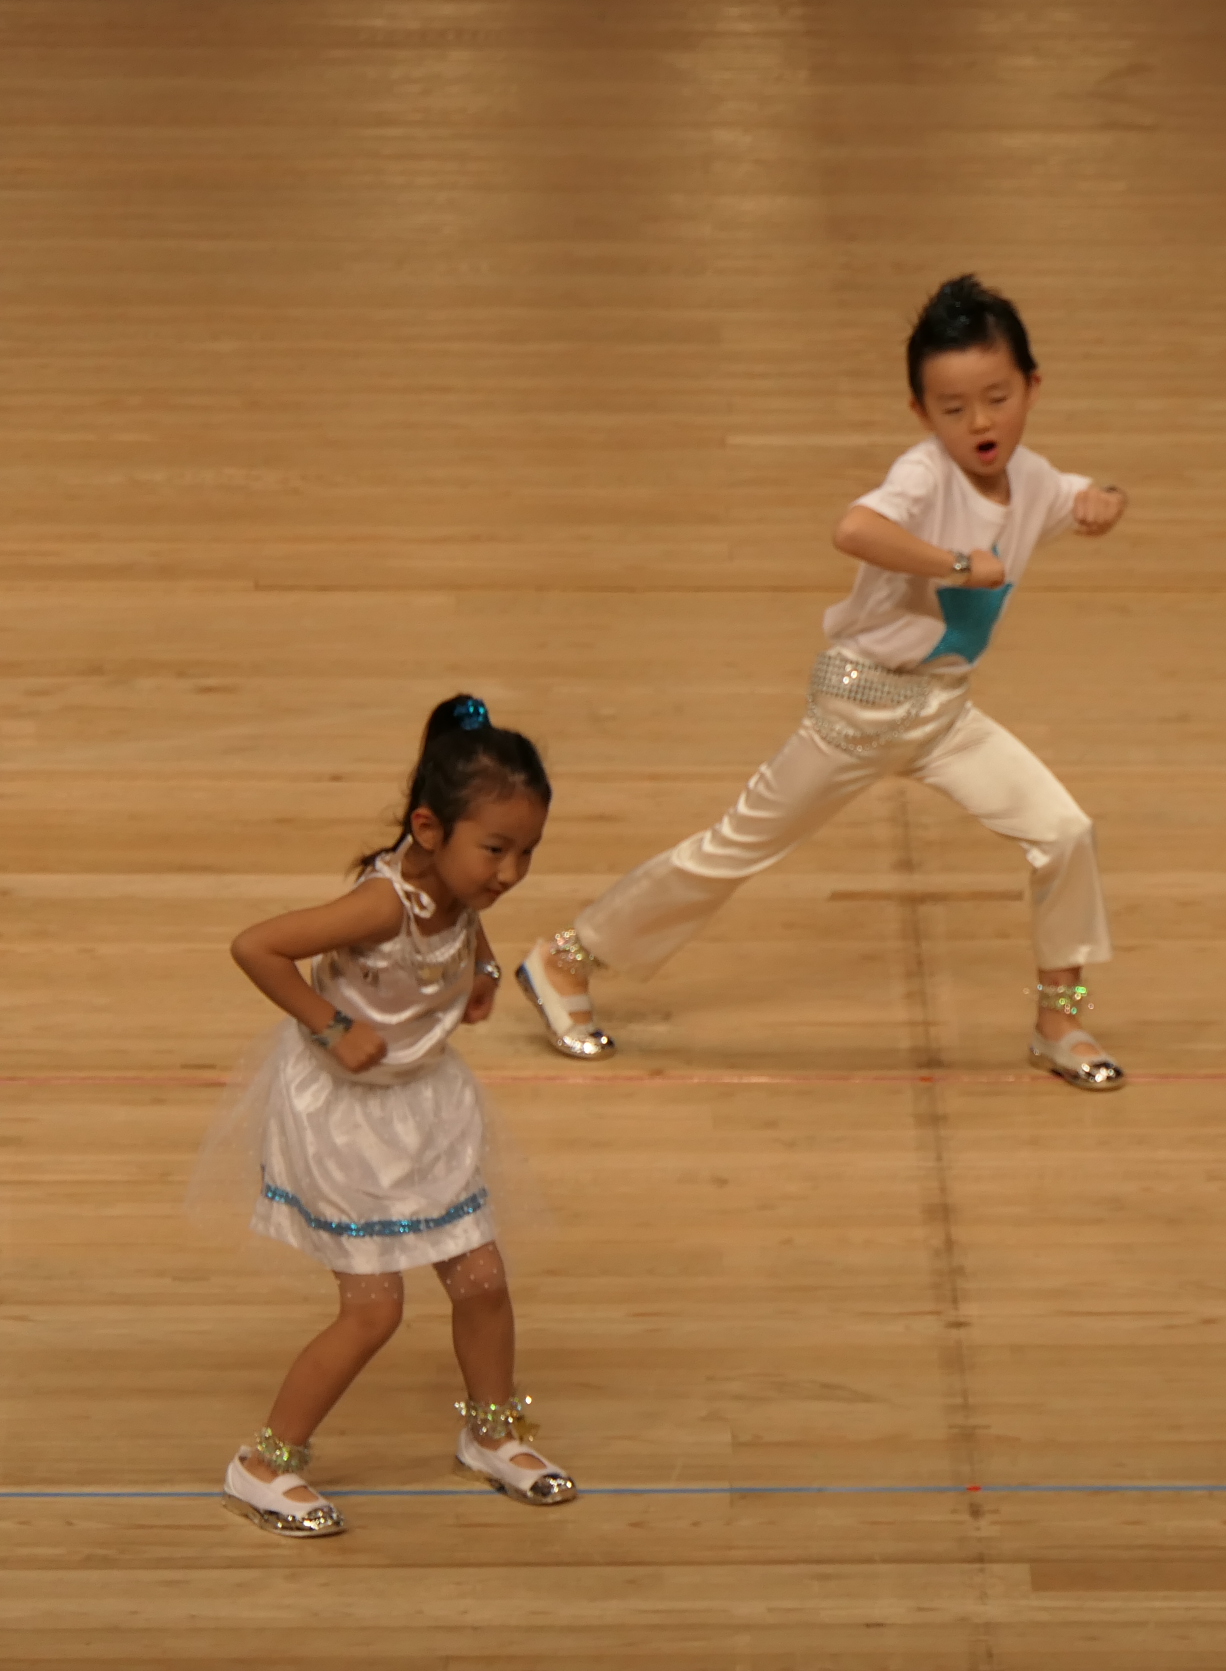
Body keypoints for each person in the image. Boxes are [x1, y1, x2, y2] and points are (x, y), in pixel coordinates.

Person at [515, 275, 1132, 1089]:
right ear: (921, 412)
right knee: (732, 852)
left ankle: (1061, 1019)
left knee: (1065, 832)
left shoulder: (1035, 480)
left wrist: (1106, 502)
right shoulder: (923, 477)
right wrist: (955, 563)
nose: (980, 423)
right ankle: (564, 959)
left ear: (1032, 387)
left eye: (997, 398)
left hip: (946, 717)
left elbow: (1084, 496)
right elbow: (855, 528)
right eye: (953, 408)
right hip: (858, 708)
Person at [216, 695, 576, 1538]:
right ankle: (262, 1465)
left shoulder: (459, 882)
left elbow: (470, 921)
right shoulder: (383, 906)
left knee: (481, 1281)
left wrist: (483, 971)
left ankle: (491, 1432)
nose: (510, 873)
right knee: (374, 1308)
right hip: (346, 1123)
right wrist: (331, 1025)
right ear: (428, 829)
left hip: (423, 1105)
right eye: (497, 850)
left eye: (527, 851)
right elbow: (256, 946)